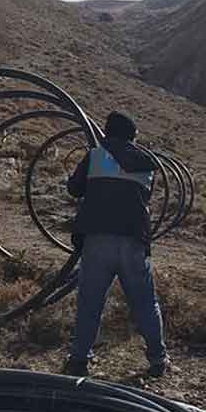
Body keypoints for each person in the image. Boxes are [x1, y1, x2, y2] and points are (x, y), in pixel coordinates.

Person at [61, 112, 170, 378]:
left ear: (108, 134)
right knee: (145, 302)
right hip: (133, 240)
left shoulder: (95, 155)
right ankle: (158, 359)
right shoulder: (147, 162)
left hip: (98, 239)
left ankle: (79, 360)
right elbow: (144, 196)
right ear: (132, 136)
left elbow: (74, 189)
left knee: (91, 301)